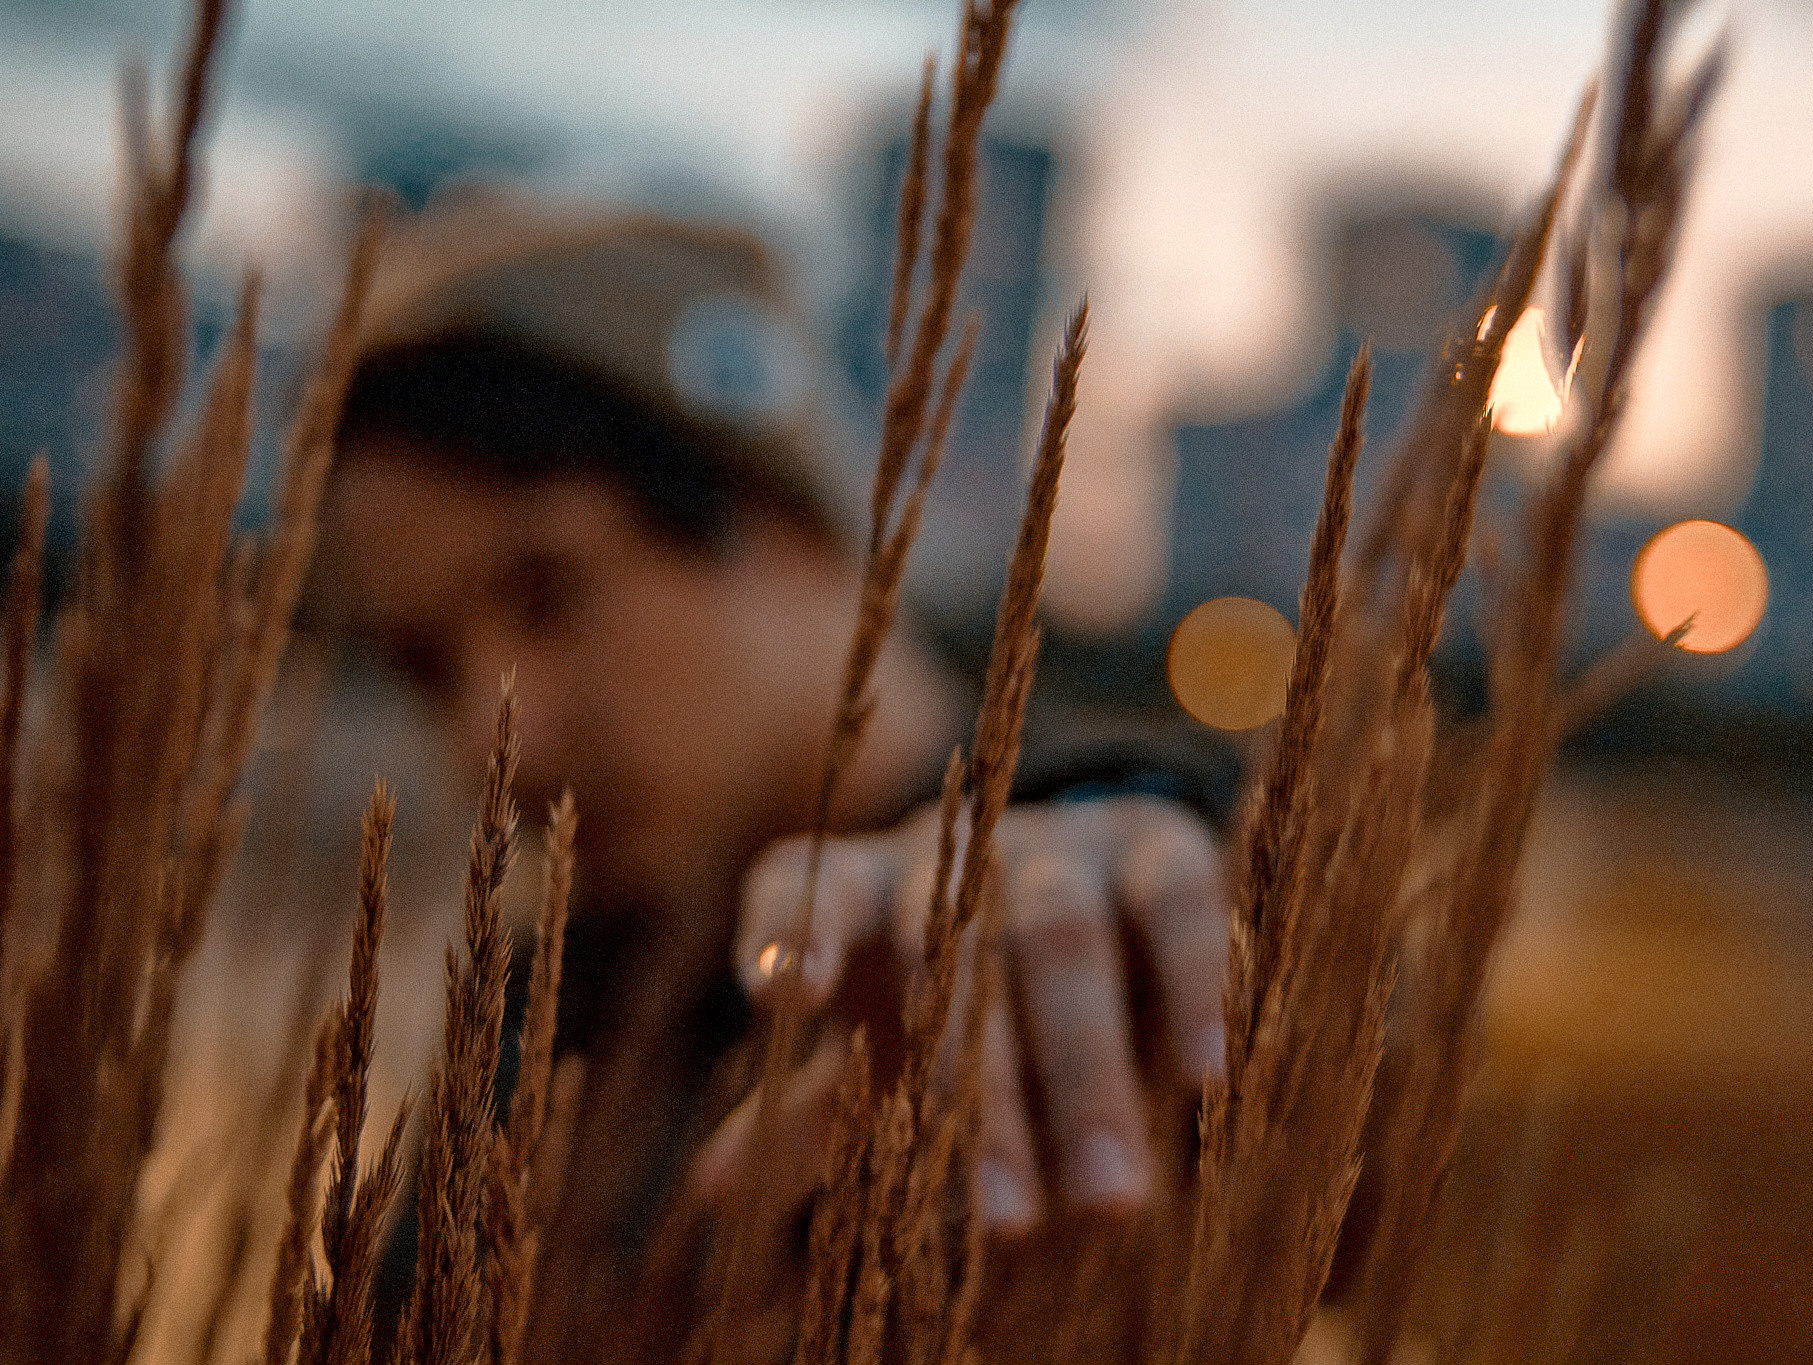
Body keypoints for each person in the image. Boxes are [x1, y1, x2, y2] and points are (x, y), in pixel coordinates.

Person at [317, 186, 1238, 1251]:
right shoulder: (562, 991)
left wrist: (1119, 891)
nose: (486, 737)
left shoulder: (1083, 871)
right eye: (424, 667)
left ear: (786, 523)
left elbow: (1334, 1055)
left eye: (550, 593)